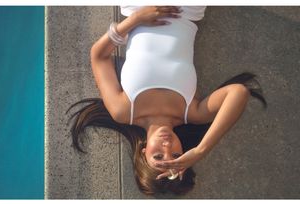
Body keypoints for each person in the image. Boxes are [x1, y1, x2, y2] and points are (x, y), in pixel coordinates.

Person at [67, 6, 267, 195]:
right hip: (186, 10)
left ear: (143, 152)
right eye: (177, 155)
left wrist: (135, 20)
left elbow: (99, 56)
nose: (167, 146)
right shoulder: (192, 112)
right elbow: (238, 92)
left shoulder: (123, 111)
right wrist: (200, 150)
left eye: (159, 157)